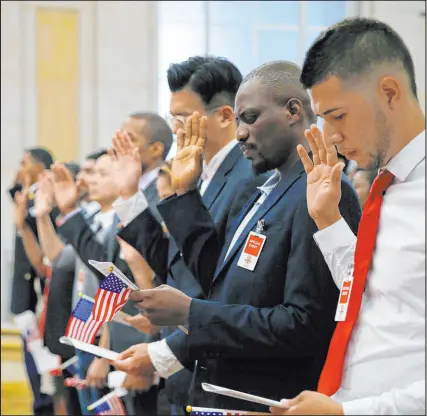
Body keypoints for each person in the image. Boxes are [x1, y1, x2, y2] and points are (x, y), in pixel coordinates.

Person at [110, 61, 361, 411]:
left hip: (268, 398)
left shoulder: (320, 192)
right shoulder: (270, 189)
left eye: (251, 118)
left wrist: (191, 313)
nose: (241, 132)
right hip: (220, 392)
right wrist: (184, 194)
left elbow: (305, 324)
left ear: (292, 111)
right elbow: (215, 278)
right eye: (240, 120)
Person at [269, 17, 425, 415]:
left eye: (337, 115)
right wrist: (328, 221)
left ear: (389, 92)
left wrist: (348, 412)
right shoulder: (388, 183)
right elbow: (370, 293)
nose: (329, 135)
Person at [113, 56, 264, 415]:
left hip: (216, 369)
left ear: (226, 116)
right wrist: (128, 195)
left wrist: (166, 353)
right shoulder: (201, 173)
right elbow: (176, 262)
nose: (176, 130)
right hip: (186, 369)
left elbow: (222, 284)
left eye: (183, 118)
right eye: (172, 118)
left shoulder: (247, 177)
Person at [8, 147, 55, 416]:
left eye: (24, 163)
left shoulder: (46, 198)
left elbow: (43, 260)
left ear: (39, 167)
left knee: (46, 387)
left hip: (41, 299)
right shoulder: (26, 196)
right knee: (36, 377)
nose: (20, 168)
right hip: (29, 303)